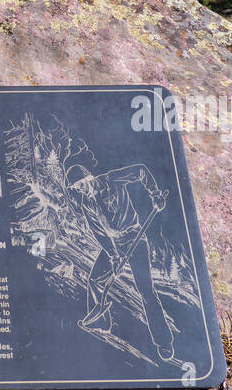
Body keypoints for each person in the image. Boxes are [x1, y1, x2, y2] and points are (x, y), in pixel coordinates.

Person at [60, 140, 174, 362]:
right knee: (95, 279)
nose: (81, 189)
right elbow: (100, 234)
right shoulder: (86, 204)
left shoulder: (111, 179)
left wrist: (154, 193)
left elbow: (140, 171)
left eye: (82, 184)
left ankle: (164, 342)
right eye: (77, 188)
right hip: (114, 245)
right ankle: (101, 320)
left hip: (134, 237)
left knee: (146, 290)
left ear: (89, 177)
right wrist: (113, 257)